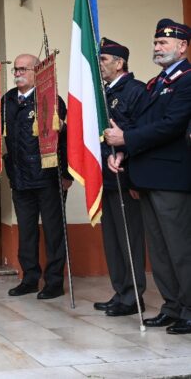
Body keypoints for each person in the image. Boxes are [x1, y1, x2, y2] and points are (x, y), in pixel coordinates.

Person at [105, 18, 191, 334]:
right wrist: (124, 151)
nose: (157, 47)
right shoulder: (156, 84)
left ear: (182, 46)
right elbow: (144, 124)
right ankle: (172, 306)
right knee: (160, 250)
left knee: (180, 248)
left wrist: (126, 140)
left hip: (172, 178)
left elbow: (171, 124)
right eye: (155, 43)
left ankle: (190, 308)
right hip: (148, 176)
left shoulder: (186, 81)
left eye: (164, 43)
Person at [3, 54, 72, 299]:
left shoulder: (51, 99)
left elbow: (65, 140)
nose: (18, 73)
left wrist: (66, 174)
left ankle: (54, 282)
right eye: (16, 68)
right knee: (27, 232)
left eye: (23, 68)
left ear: (37, 72)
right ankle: (30, 278)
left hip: (47, 177)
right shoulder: (8, 100)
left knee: (54, 232)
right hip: (20, 178)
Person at [94, 38, 146, 317]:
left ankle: (133, 295)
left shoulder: (136, 91)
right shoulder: (102, 92)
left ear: (119, 63)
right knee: (113, 239)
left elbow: (140, 132)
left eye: (103, 60)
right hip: (104, 176)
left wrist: (133, 172)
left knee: (130, 238)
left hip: (126, 177)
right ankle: (121, 290)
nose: (99, 65)